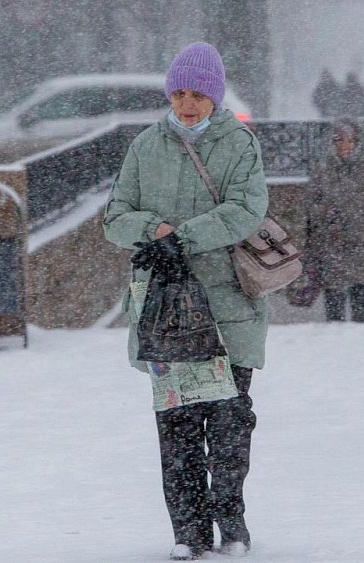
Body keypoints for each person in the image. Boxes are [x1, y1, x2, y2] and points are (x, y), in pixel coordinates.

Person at [102, 41, 266, 561]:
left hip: (226, 311)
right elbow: (115, 216)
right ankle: (189, 534)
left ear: (214, 96)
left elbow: (247, 210)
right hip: (165, 312)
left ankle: (231, 525)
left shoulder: (239, 145)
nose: (187, 104)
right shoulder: (145, 146)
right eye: (178, 94)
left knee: (230, 424)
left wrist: (184, 239)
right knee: (176, 430)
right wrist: (155, 230)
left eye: (197, 94)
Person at [304, 118, 364, 322]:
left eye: (349, 141)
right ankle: (336, 338)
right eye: (339, 140)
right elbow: (309, 204)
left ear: (358, 142)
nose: (344, 146)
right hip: (332, 241)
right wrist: (322, 211)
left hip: (363, 241)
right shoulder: (323, 169)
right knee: (334, 295)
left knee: (361, 294)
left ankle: (361, 339)